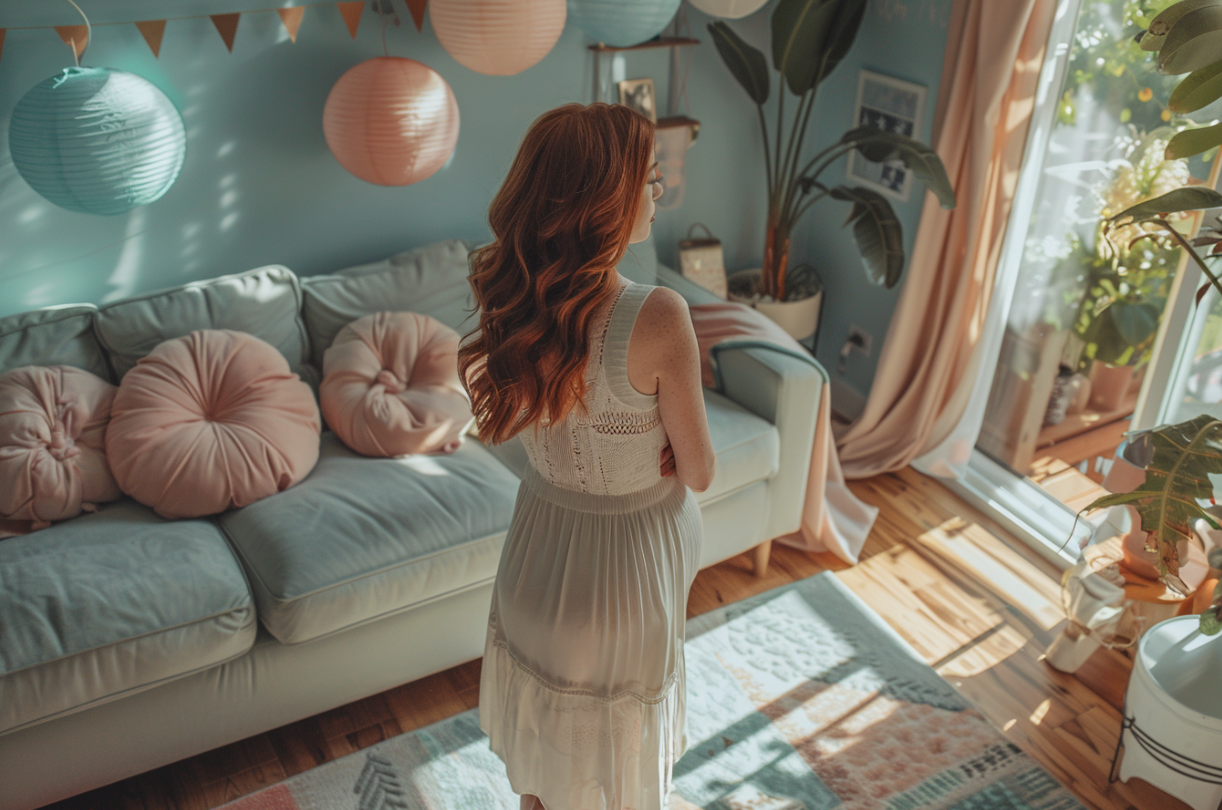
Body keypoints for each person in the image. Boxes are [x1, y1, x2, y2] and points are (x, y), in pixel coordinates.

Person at [458, 102, 716, 810]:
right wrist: (658, 442)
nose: (657, 193)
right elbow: (699, 471)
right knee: (617, 774)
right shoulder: (658, 315)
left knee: (547, 773)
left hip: (539, 562)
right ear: (603, 201)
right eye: (650, 179)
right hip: (621, 582)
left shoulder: (515, 299)